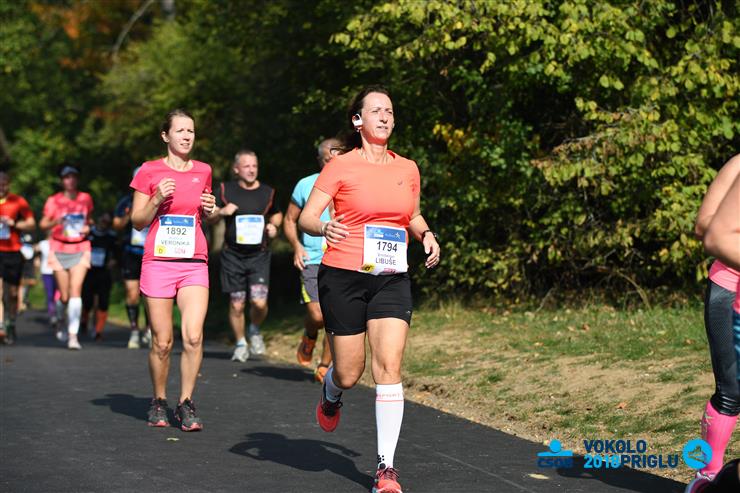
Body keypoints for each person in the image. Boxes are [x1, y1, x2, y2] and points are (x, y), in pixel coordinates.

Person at [298, 86, 440, 493]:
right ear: (358, 120)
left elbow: (411, 215)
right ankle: (331, 393)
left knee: (389, 367)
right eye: (376, 110)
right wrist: (324, 226)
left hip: (391, 276)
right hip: (343, 276)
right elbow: (307, 217)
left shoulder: (407, 168)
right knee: (348, 372)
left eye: (389, 111)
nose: (385, 116)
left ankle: (385, 468)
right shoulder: (340, 166)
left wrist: (427, 234)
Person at [130, 108, 217, 431]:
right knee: (163, 342)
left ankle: (186, 402)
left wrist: (211, 209)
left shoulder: (204, 170)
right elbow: (137, 221)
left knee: (193, 336)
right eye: (180, 131)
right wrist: (156, 198)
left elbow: (205, 213)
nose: (186, 136)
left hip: (194, 262)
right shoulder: (149, 171)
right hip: (159, 262)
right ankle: (158, 400)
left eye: (190, 131)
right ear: (166, 136)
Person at [692, 153, 740, 483]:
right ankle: (706, 478)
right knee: (731, 391)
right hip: (729, 289)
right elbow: (703, 225)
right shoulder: (738, 166)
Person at [209, 149, 282, 362]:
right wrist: (221, 212)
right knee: (237, 304)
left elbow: (277, 213)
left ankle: (254, 329)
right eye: (246, 166)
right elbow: (208, 216)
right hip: (233, 256)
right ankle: (241, 343)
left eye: (254, 166)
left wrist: (274, 226)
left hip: (259, 255)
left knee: (259, 303)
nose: (251, 170)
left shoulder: (268, 192)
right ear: (236, 169)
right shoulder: (225, 190)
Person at [284, 138, 339, 382]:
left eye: (336, 159)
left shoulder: (351, 184)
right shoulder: (306, 184)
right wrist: (296, 246)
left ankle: (324, 366)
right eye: (327, 160)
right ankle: (309, 334)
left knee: (334, 316)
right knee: (318, 316)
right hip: (313, 259)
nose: (332, 164)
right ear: (320, 160)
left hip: (341, 258)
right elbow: (289, 220)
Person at [40, 165, 93, 350]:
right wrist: (57, 221)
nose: (70, 180)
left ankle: (73, 336)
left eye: (73, 177)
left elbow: (89, 220)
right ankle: (61, 319)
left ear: (77, 179)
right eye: (66, 177)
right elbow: (43, 224)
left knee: (75, 291)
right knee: (64, 296)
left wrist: (88, 227)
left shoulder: (85, 198)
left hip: (80, 247)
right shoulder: (53, 200)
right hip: (59, 248)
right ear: (62, 180)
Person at [113, 167, 152, 349]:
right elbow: (116, 225)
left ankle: (150, 329)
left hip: (152, 253)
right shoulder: (126, 201)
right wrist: (130, 216)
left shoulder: (158, 199)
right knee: (132, 293)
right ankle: (134, 330)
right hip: (131, 252)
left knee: (151, 295)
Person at [0, 170, 36, 344]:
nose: (1, 187)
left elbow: (31, 224)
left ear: (9, 184)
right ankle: (1, 326)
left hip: (13, 251)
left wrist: (14, 223)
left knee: (13, 293)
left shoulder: (18, 201)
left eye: (4, 184)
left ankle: (11, 322)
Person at [80, 212, 118, 341]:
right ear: (98, 220)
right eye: (102, 221)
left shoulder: (111, 237)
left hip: (104, 272)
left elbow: (117, 254)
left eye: (107, 222)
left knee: (103, 302)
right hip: (88, 271)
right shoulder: (88, 234)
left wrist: (113, 261)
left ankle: (98, 331)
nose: (104, 224)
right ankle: (84, 320)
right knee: (87, 301)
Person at [38, 235, 58, 329]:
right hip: (46, 272)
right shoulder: (43, 243)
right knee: (50, 295)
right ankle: (52, 314)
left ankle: (58, 313)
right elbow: (36, 251)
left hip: (58, 271)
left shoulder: (59, 243)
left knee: (58, 294)